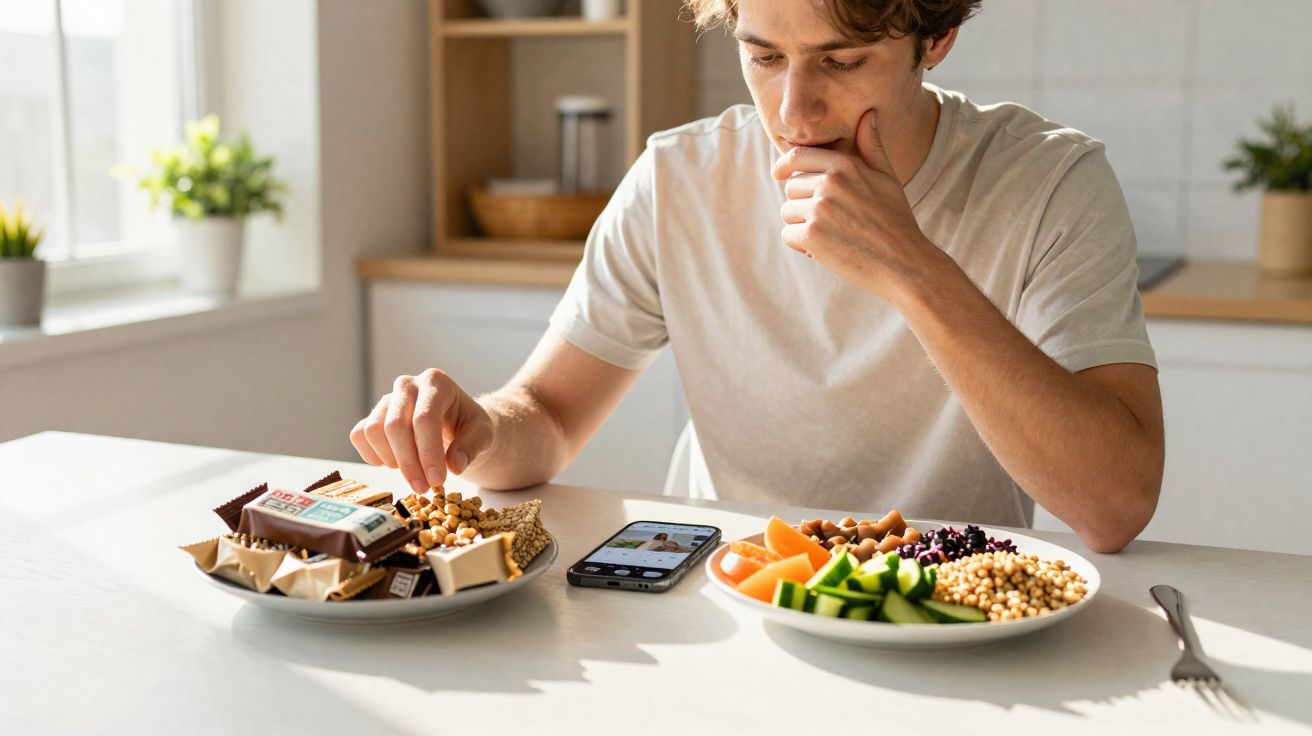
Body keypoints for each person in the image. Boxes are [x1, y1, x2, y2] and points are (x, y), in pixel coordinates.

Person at [351, 0, 1165, 554]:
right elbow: (551, 415)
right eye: (764, 55)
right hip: (732, 590)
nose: (794, 112)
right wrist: (482, 431)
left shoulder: (1051, 181)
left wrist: (913, 269)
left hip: (954, 610)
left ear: (936, 36)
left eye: (840, 60)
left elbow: (1114, 506)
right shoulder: (679, 177)